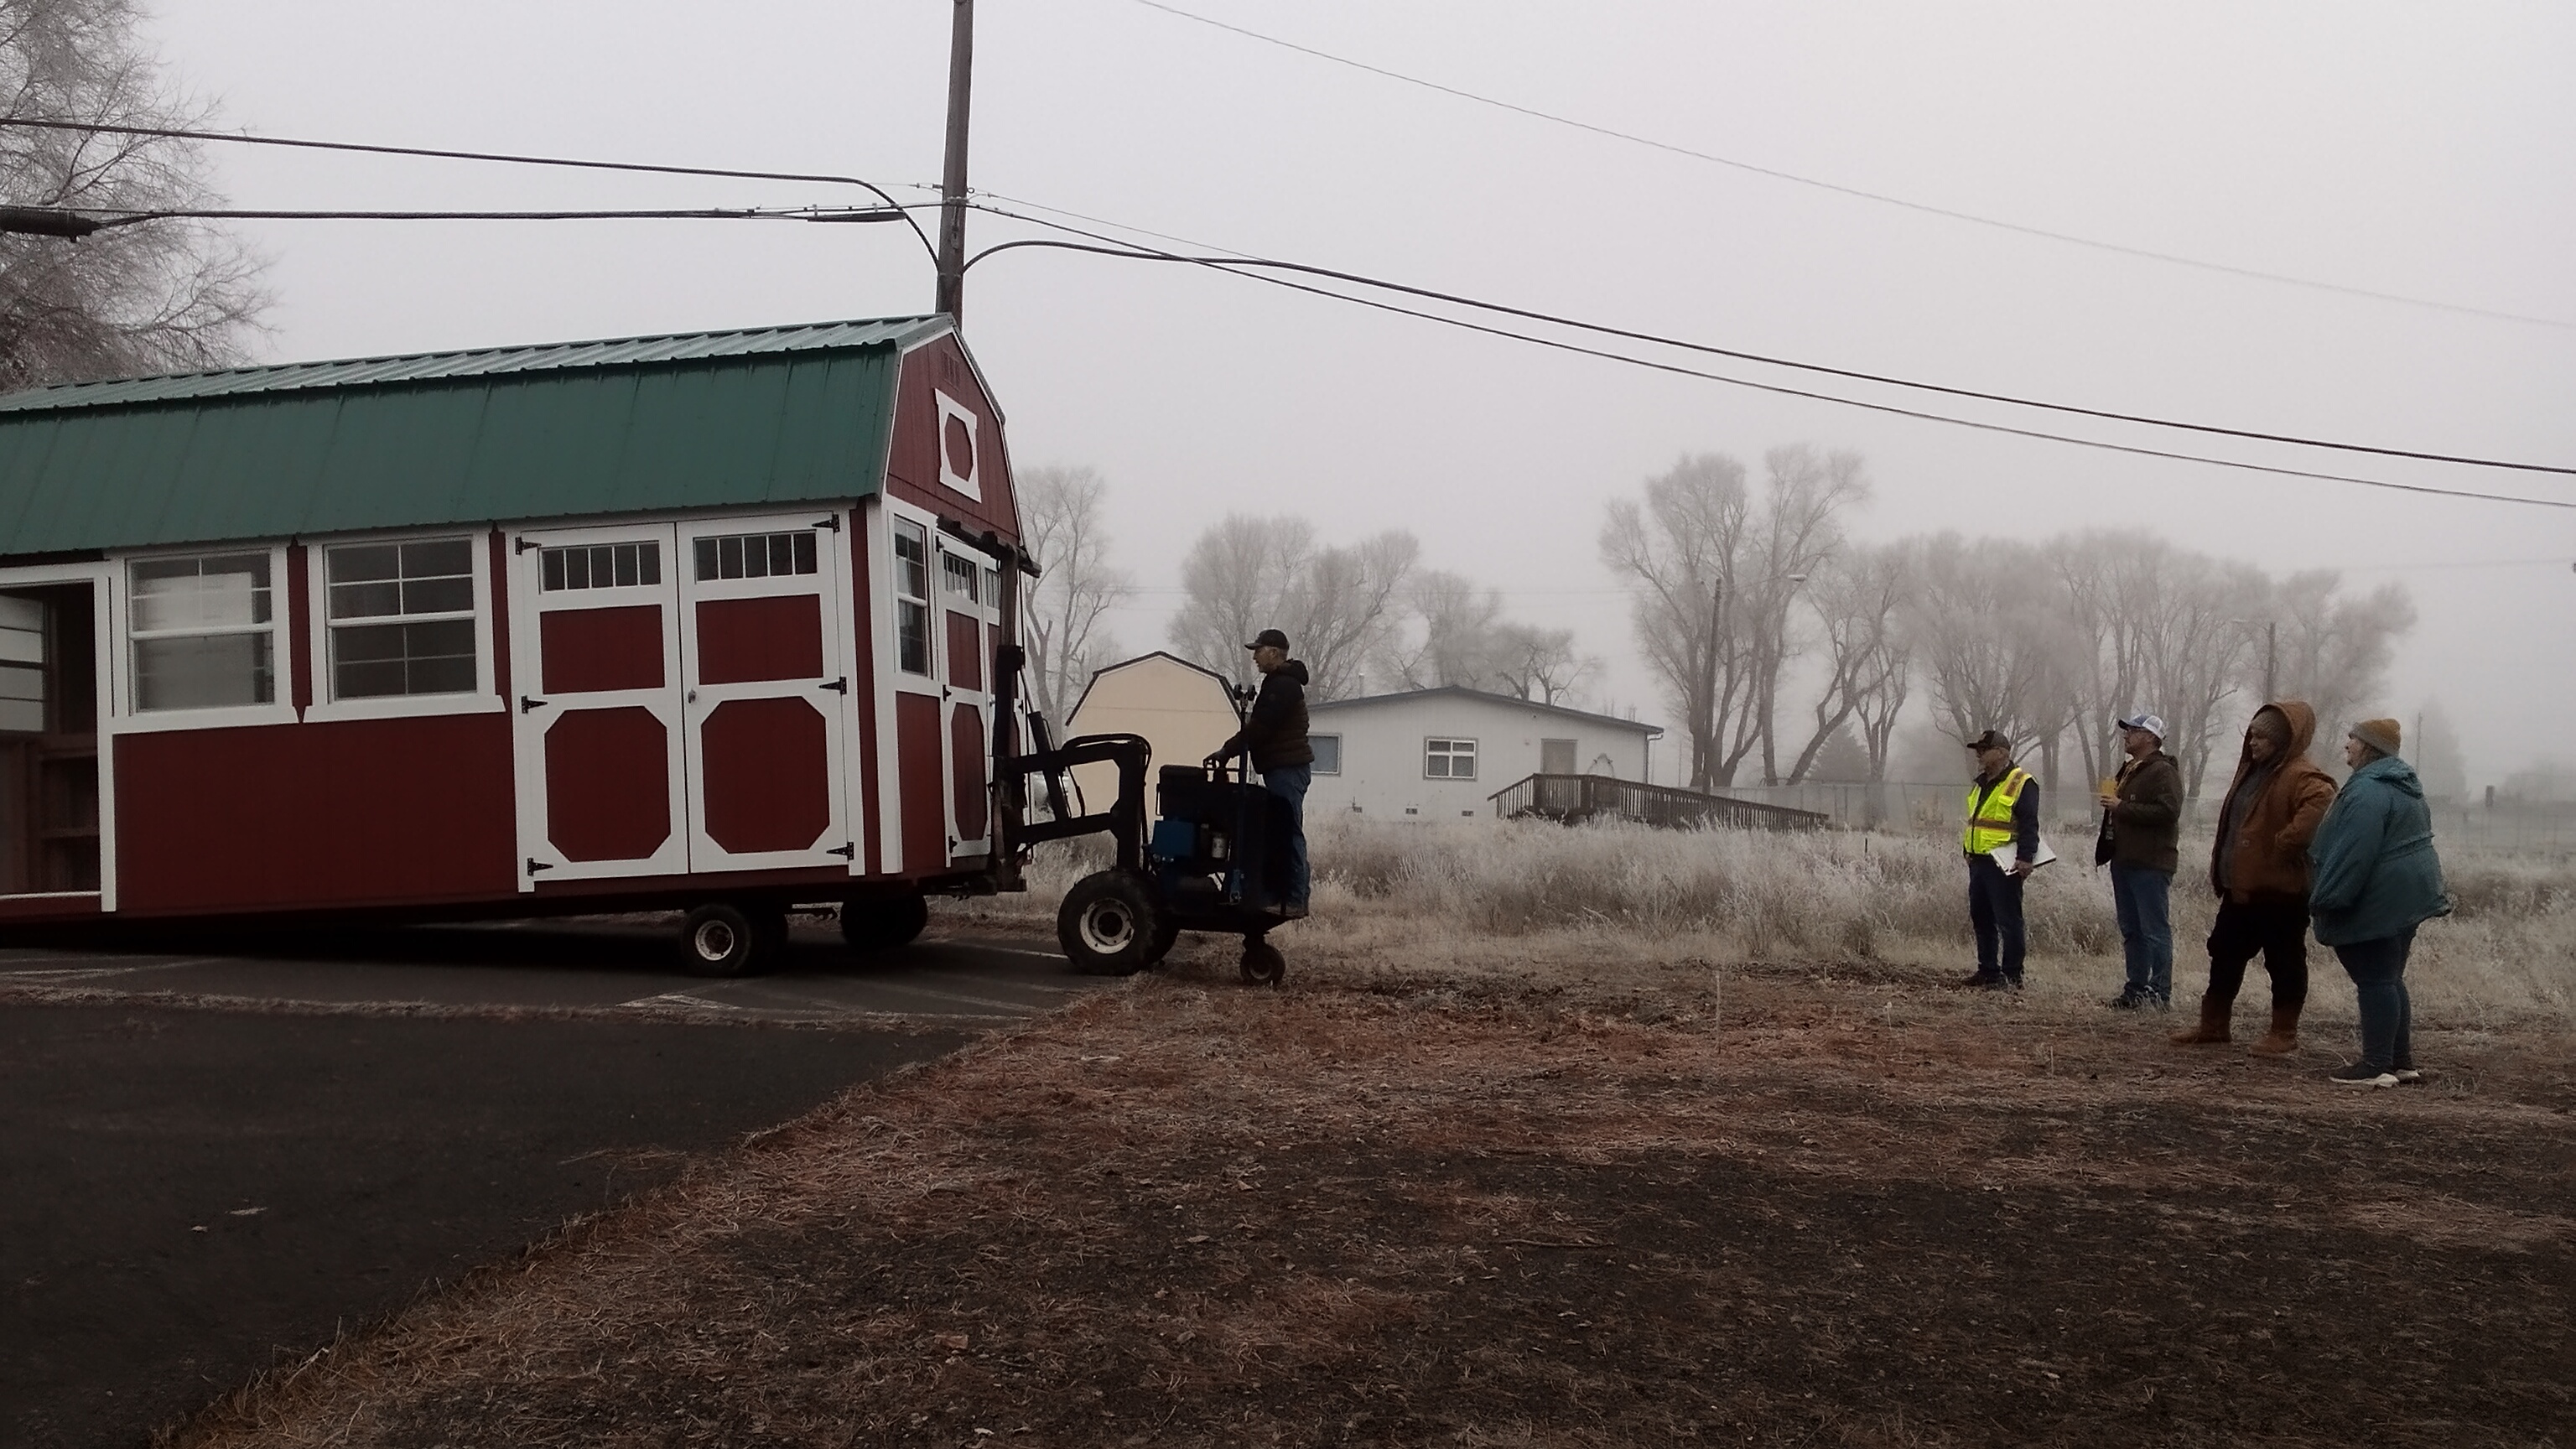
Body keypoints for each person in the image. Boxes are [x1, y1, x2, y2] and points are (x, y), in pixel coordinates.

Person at [2173, 701, 2336, 1054]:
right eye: (2252, 735)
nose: (2253, 742)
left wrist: (2285, 844)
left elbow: (2322, 806)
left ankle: (2283, 1033)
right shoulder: (2253, 771)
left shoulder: (2303, 775)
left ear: (2283, 741)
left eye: (2262, 737)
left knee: (2285, 961)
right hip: (2240, 890)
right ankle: (2213, 1025)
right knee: (2224, 952)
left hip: (2281, 893)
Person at [2308, 718, 2449, 1088]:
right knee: (2388, 977)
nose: (2347, 745)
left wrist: (2327, 897)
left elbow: (2353, 852)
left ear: (2370, 746)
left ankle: (2376, 1066)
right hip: (2407, 895)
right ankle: (2400, 1063)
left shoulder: (2368, 790)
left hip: (2379, 896)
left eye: (2353, 739)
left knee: (2374, 978)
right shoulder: (2403, 786)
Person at [1207, 628, 1313, 913]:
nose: (1254, 657)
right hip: (1281, 768)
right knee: (1280, 831)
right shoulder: (1278, 683)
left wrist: (1226, 750)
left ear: (1274, 653)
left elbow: (1260, 728)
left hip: (1287, 770)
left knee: (1289, 832)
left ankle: (1294, 898)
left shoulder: (1283, 686)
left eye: (1258, 650)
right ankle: (1281, 896)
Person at [2093, 712, 2184, 1010]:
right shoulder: (2131, 769)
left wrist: (2122, 807)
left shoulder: (2163, 771)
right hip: (2124, 859)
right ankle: (2135, 990)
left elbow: (2169, 812)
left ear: (2150, 737)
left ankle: (2159, 995)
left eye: (2133, 730)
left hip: (2151, 863)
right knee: (2131, 930)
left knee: (2154, 931)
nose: (2126, 735)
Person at [1959, 730, 2039, 990]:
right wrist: (1967, 850)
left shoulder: (2021, 781)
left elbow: (2029, 824)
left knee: (2008, 920)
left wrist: (2025, 858)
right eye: (1978, 750)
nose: (1980, 754)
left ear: (2003, 752)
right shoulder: (1981, 782)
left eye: (1985, 749)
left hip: (2004, 862)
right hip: (1979, 860)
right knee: (1981, 917)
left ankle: (2012, 975)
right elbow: (1976, 822)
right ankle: (1988, 971)